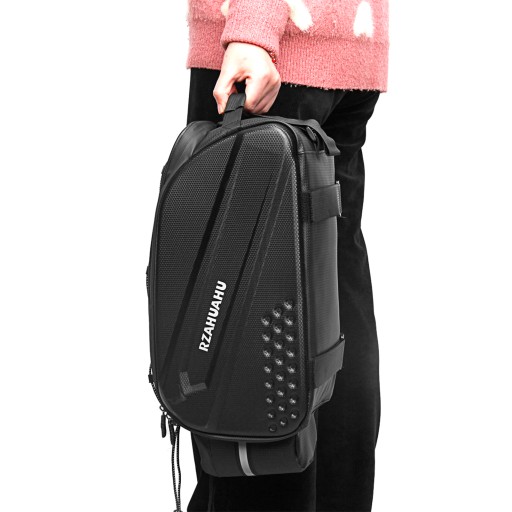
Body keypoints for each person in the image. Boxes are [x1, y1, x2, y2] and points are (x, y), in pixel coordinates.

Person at [184, 1, 389, 510]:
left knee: (243, 334)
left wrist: (253, 29)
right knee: (330, 288)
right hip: (344, 46)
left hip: (272, 49)